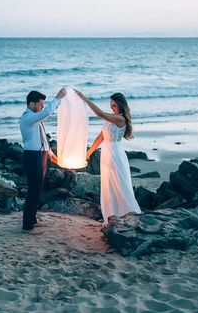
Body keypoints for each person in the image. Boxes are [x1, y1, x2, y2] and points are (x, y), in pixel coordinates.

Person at [75, 90, 141, 224]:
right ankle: (112, 215)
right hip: (107, 153)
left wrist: (84, 98)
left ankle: (128, 213)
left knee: (118, 185)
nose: (112, 108)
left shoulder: (120, 118)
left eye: (114, 106)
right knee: (109, 186)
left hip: (114, 154)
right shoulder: (112, 117)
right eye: (111, 105)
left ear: (121, 106)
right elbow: (100, 137)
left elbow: (99, 113)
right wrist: (88, 154)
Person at [19, 88, 66, 231]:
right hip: (32, 157)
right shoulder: (28, 118)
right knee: (33, 190)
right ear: (32, 104)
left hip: (41, 156)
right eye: (40, 104)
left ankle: (32, 219)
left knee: (37, 189)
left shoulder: (35, 119)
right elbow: (46, 113)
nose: (42, 107)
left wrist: (51, 155)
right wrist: (58, 97)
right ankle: (27, 224)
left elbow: (42, 139)